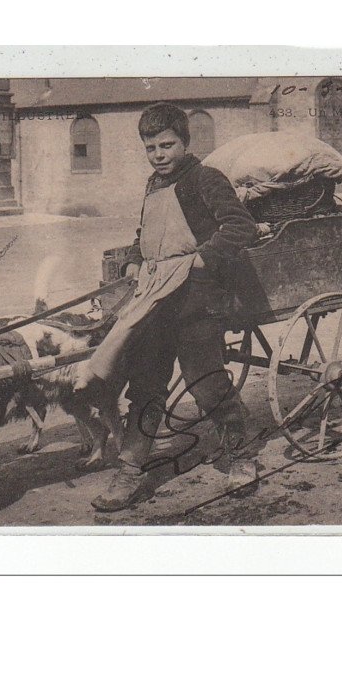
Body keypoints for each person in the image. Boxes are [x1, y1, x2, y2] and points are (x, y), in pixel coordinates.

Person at [81, 103, 259, 512]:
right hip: (156, 298)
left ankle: (241, 455)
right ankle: (129, 471)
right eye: (151, 148)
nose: (159, 155)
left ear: (184, 142)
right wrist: (134, 258)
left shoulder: (205, 178)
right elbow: (146, 233)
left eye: (167, 145)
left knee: (205, 382)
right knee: (145, 385)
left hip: (197, 298)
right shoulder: (153, 185)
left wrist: (203, 258)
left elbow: (240, 225)